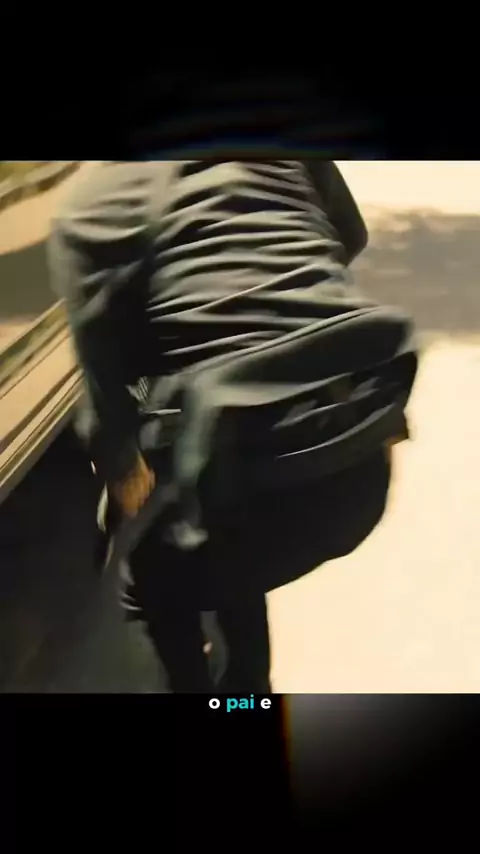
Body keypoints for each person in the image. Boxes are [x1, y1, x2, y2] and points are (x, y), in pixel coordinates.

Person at [49, 160, 416, 694]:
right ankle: (249, 694)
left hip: (252, 470)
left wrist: (123, 466)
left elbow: (104, 382)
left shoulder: (89, 206)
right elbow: (349, 235)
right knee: (226, 536)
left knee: (152, 574)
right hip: (364, 450)